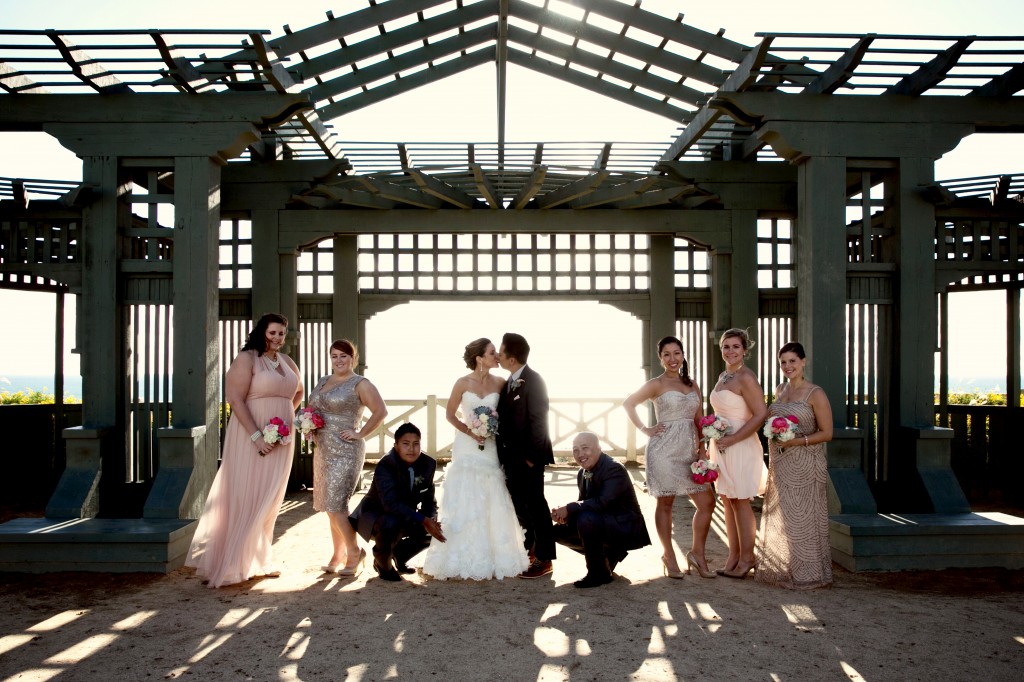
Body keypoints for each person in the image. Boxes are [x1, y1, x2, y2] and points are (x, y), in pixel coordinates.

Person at [186, 313, 303, 588]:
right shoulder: (247, 359)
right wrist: (257, 436)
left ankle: (259, 560)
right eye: (273, 332)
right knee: (248, 494)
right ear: (262, 332)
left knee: (270, 498)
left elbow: (298, 392)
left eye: (282, 334)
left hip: (280, 438)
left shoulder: (286, 361)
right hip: (250, 436)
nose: (278, 338)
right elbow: (235, 400)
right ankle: (232, 563)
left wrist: (284, 424)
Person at [421, 339, 530, 580]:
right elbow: (450, 414)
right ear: (479, 358)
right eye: (492, 353)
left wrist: (493, 429)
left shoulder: (501, 383)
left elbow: (511, 414)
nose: (497, 356)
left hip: (490, 445)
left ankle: (496, 556)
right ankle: (458, 556)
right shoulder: (462, 383)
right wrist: (470, 431)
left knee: (492, 492)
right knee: (465, 494)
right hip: (467, 445)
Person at [622, 336, 716, 579]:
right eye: (667, 354)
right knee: (665, 503)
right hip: (662, 451)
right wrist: (646, 429)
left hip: (690, 452)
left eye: (676, 353)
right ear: (660, 358)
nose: (672, 359)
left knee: (707, 503)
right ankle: (669, 555)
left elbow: (699, 420)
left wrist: (703, 448)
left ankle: (697, 554)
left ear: (683, 355)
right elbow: (629, 403)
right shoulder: (656, 384)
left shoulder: (693, 385)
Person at [756, 342, 834, 589]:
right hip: (782, 462)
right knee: (787, 518)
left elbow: (828, 433)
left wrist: (797, 441)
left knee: (806, 519)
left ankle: (809, 575)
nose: (787, 366)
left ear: (803, 362)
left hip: (807, 463)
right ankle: (790, 569)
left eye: (792, 361)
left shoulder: (815, 394)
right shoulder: (780, 390)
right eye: (783, 362)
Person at [306, 339, 387, 575]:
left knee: (336, 505)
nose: (339, 360)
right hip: (323, 450)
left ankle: (355, 552)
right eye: (334, 356)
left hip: (346, 449)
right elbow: (314, 409)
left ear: (353, 358)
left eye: (344, 356)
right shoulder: (323, 381)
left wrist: (360, 432)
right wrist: (309, 425)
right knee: (327, 505)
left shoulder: (360, 383)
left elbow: (381, 411)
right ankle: (337, 553)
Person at [551, 432, 652, 588]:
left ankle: (598, 573)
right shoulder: (582, 472)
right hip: (603, 523)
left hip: (626, 527)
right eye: (575, 450)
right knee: (556, 532)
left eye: (585, 448)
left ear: (599, 448)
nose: (580, 454)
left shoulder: (614, 468)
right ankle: (608, 554)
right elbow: (583, 502)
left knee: (586, 518)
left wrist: (570, 508)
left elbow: (603, 502)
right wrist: (564, 515)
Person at [348, 423, 446, 581]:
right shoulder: (386, 464)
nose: (411, 449)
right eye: (405, 444)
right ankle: (382, 564)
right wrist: (422, 519)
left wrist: (431, 518)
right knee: (391, 523)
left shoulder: (428, 464)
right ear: (396, 446)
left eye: (416, 444)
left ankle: (400, 556)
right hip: (376, 516)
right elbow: (390, 504)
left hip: (405, 514)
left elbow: (429, 499)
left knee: (440, 526)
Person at [708, 328, 768, 579]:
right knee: (727, 499)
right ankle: (733, 556)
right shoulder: (723, 376)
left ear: (744, 350)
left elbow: (761, 414)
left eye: (735, 346)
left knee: (741, 500)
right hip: (721, 446)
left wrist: (732, 438)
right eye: (726, 346)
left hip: (741, 444)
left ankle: (748, 558)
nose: (730, 351)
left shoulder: (746, 377)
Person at [496, 332, 556, 579]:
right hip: (511, 458)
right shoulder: (509, 382)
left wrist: (532, 457)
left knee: (537, 506)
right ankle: (531, 549)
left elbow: (539, 421)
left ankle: (545, 559)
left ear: (511, 358)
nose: (498, 355)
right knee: (521, 506)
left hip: (529, 459)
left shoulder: (534, 380)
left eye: (501, 351)